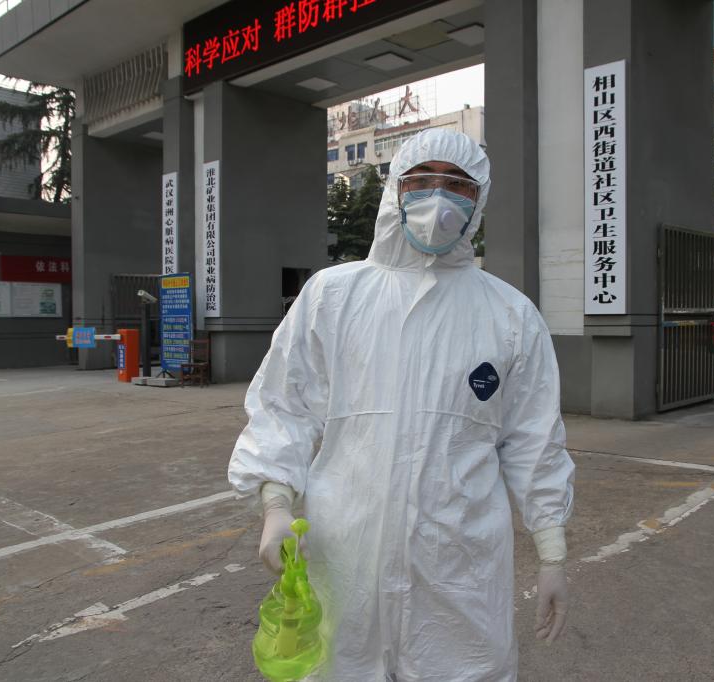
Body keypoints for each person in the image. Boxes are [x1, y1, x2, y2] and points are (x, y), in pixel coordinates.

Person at [229, 128, 575, 681]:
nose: (439, 197)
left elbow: (535, 442)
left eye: (457, 185)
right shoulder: (333, 296)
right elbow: (284, 406)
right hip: (346, 557)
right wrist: (275, 503)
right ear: (395, 189)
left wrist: (551, 550)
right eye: (422, 180)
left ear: (479, 199)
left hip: (457, 566)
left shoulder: (510, 315)